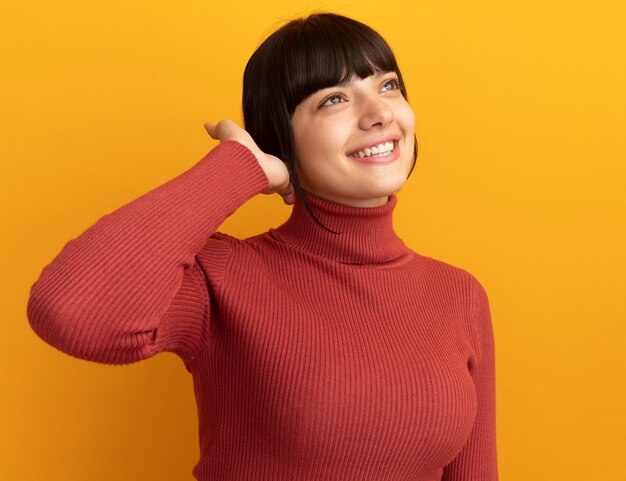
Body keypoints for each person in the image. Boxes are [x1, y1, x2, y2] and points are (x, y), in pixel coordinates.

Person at [27, 12, 498, 481]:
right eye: (333, 98)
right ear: (280, 140)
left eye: (388, 86)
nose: (379, 114)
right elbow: (70, 313)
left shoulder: (459, 294)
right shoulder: (222, 277)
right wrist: (238, 168)